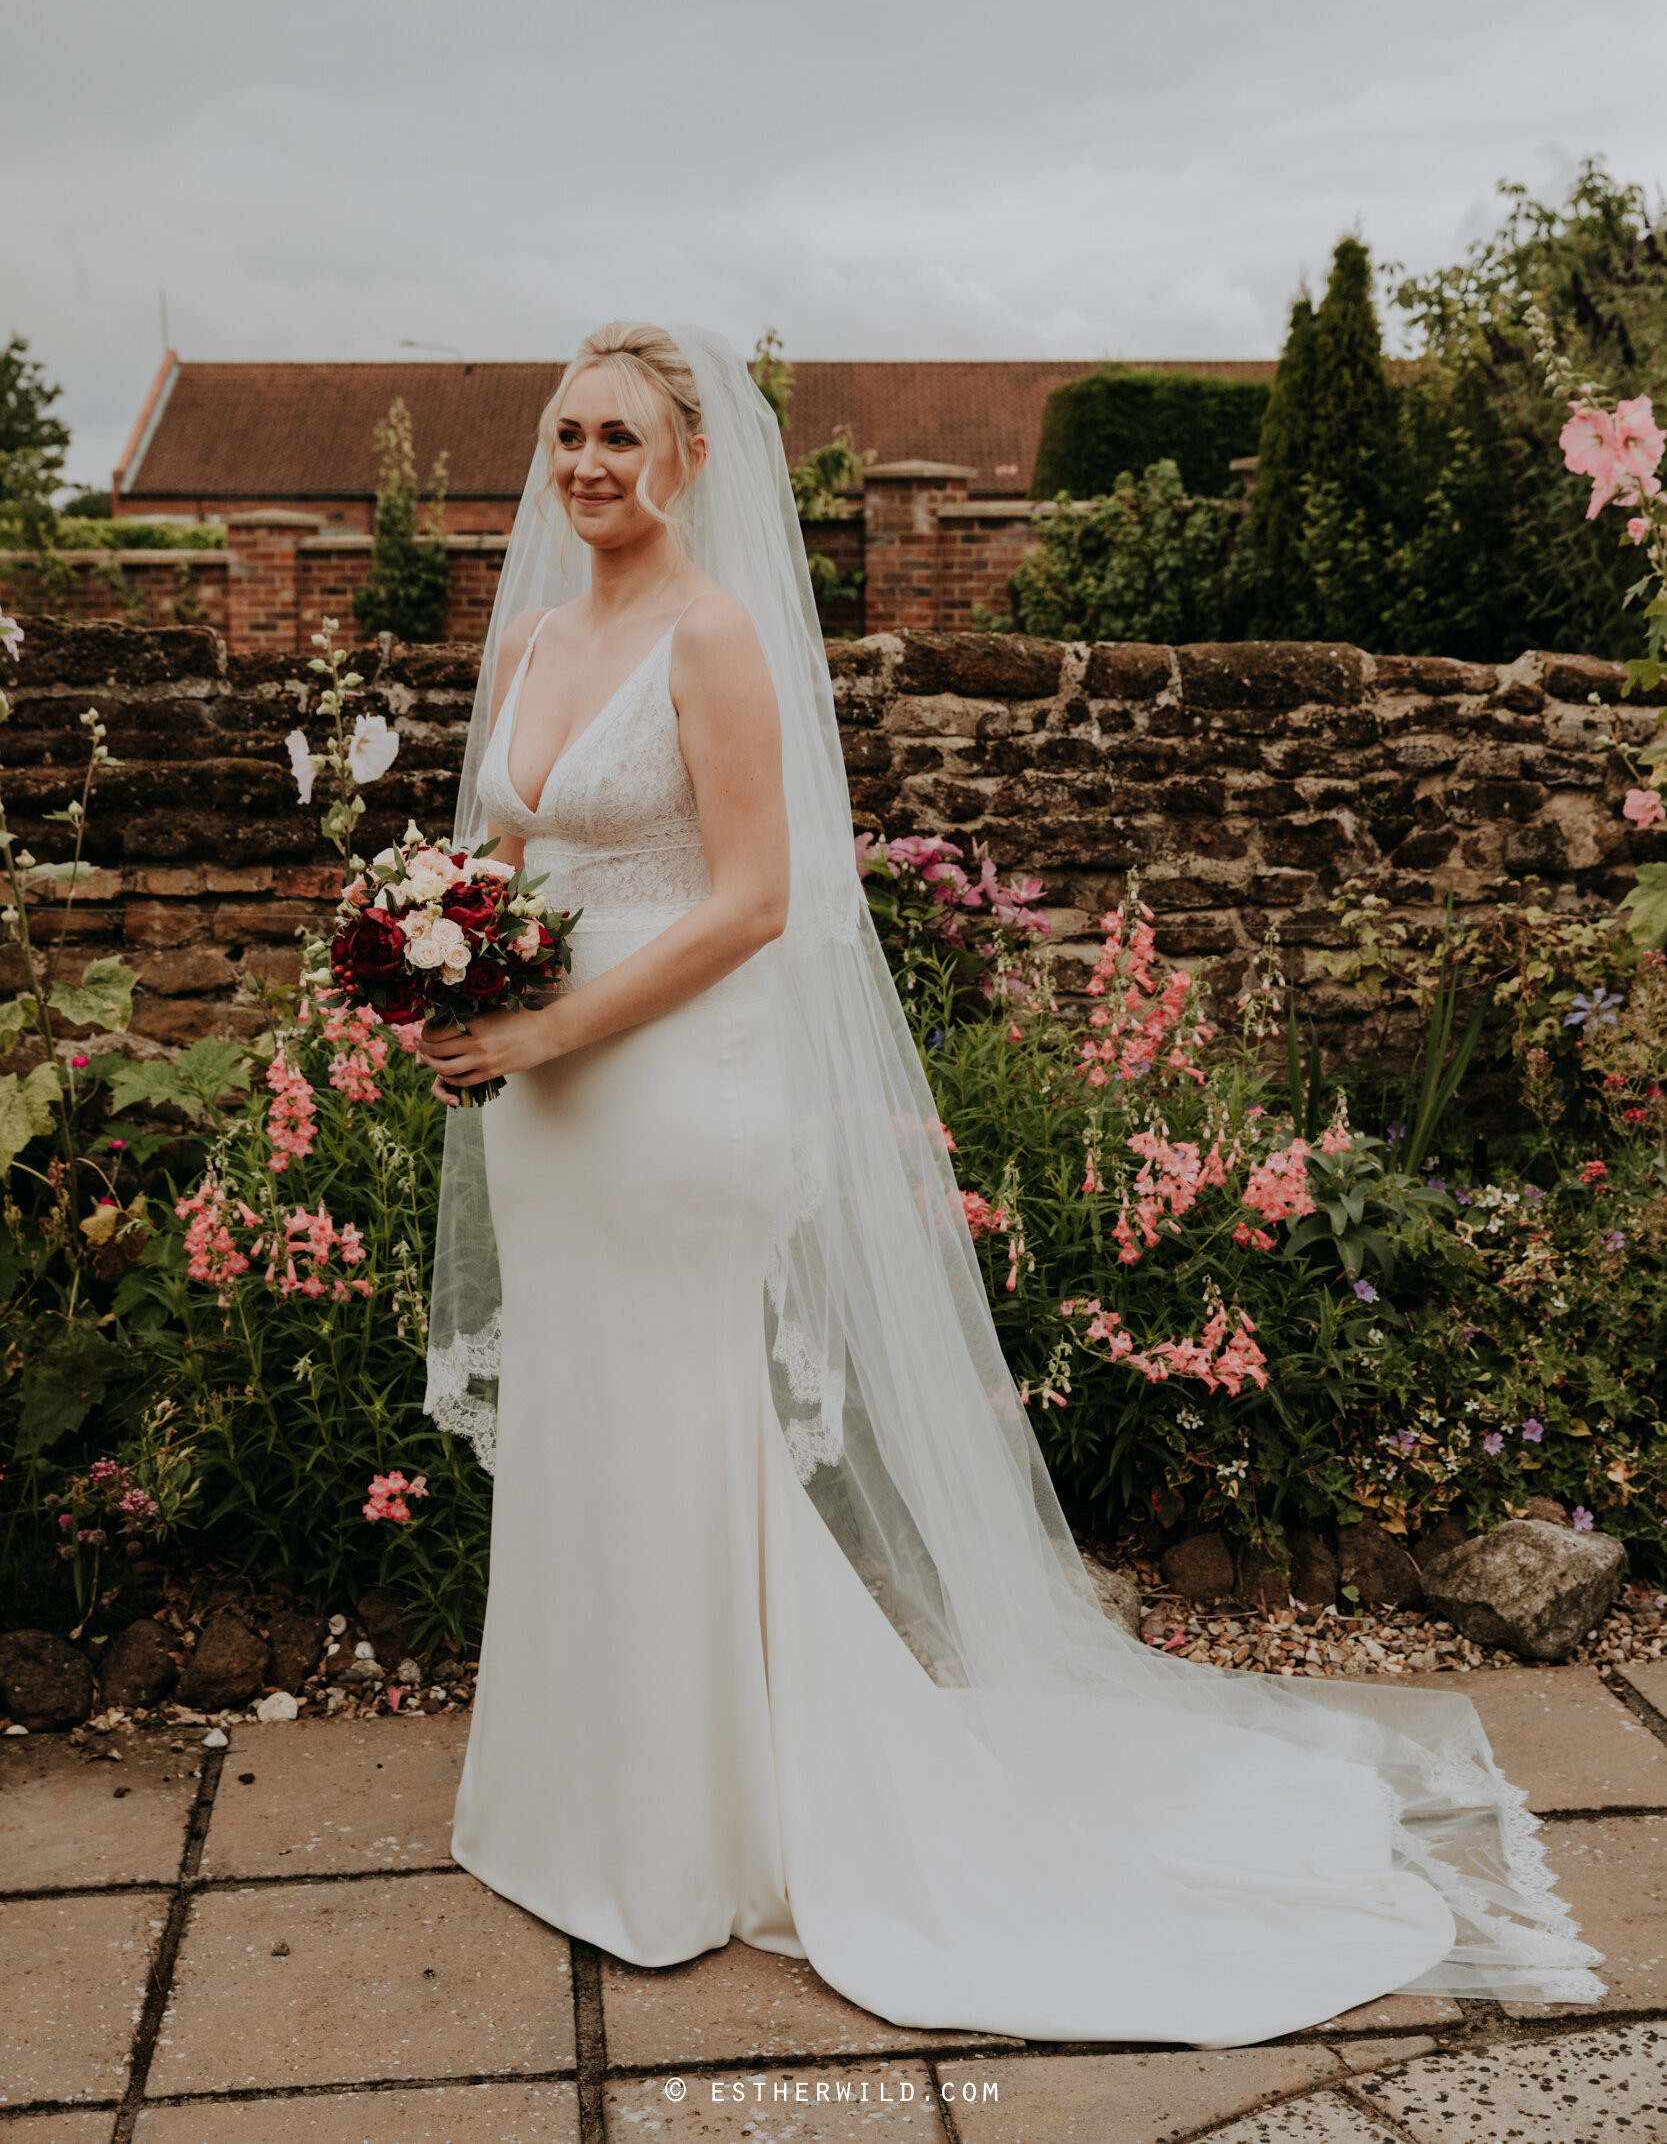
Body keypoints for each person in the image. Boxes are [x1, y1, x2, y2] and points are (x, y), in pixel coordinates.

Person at [420, 321, 1599, 2044]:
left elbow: (753, 900)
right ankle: (572, 1800)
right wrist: (439, 968)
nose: (586, 464)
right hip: (545, 1109)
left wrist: (552, 1028)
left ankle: (695, 1834)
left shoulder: (717, 633)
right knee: (588, 1423)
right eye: (565, 434)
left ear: (686, 457)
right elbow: (497, 860)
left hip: (673, 1091)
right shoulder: (532, 634)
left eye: (618, 435)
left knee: (682, 1428)